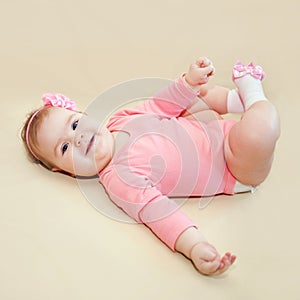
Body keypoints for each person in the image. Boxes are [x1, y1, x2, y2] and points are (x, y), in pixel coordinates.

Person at [21, 57, 280, 276]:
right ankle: (253, 95)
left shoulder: (119, 119)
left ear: (85, 114)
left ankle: (236, 101)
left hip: (213, 127)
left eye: (75, 125)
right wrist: (195, 247)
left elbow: (159, 105)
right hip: (234, 164)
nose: (77, 138)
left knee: (193, 97)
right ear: (65, 171)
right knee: (260, 130)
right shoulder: (119, 179)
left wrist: (188, 82)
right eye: (64, 148)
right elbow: (160, 214)